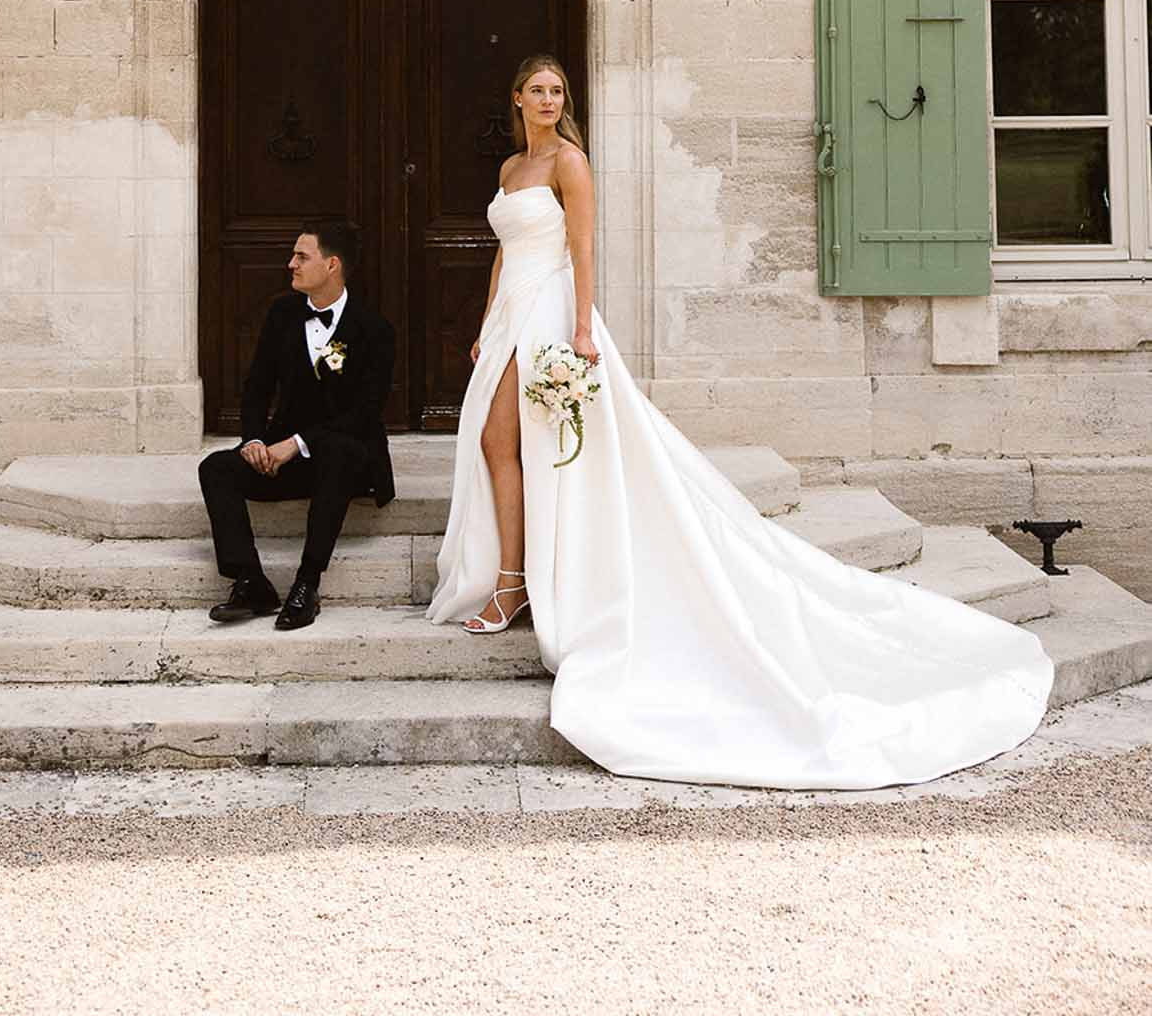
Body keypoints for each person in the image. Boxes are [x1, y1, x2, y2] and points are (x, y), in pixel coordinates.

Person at [427, 53, 1056, 791]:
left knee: (533, 446)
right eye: (535, 90)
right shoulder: (509, 171)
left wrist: (584, 330)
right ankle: (512, 576)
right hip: (511, 312)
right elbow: (506, 255)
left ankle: (517, 582)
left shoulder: (571, 161)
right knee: (497, 443)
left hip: (555, 311)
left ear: (563, 102)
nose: (545, 99)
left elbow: (583, 246)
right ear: (516, 99)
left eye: (556, 91)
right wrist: (485, 319)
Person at [198, 219, 395, 632]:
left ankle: (307, 583)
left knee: (338, 452)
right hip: (287, 456)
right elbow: (255, 388)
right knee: (216, 467)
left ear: (332, 265)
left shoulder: (374, 329)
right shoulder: (281, 314)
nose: (291, 264)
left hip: (348, 458)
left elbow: (364, 414)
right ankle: (250, 582)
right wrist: (253, 439)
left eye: (301, 256)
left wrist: (298, 443)